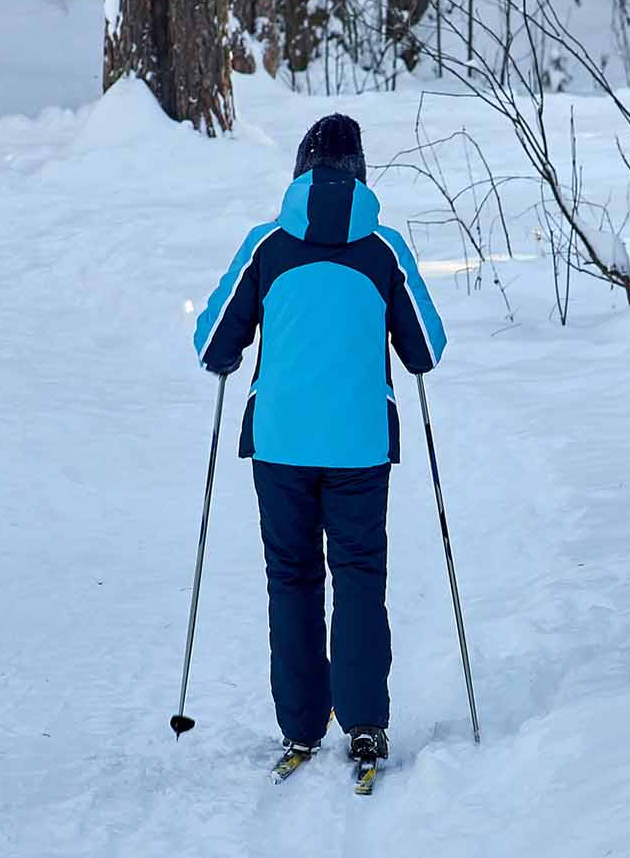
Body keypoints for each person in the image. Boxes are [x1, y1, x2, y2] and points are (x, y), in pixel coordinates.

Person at [191, 114, 447, 769]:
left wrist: (231, 353)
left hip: (281, 443)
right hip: (360, 444)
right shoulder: (383, 248)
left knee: (292, 579)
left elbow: (213, 341)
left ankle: (301, 725)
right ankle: (364, 724)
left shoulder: (267, 244)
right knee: (360, 577)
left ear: (300, 173)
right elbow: (427, 347)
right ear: (361, 173)